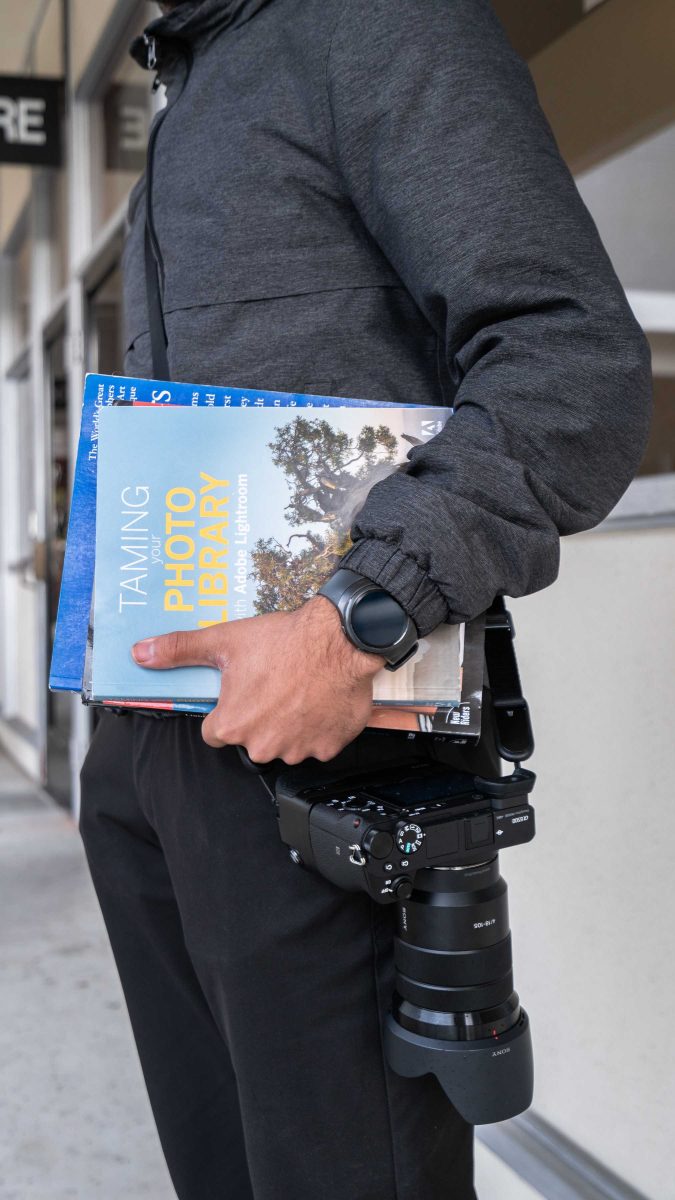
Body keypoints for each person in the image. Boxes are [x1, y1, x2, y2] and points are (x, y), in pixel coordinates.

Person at [79, 1, 653, 1197]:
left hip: (326, 759)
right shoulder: (193, 81)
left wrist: (359, 620)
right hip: (152, 755)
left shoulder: (379, 24)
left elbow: (574, 372)